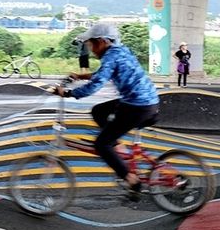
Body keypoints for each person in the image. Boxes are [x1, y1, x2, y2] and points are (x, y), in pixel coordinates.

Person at [53, 23, 159, 199]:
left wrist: (69, 93)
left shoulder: (111, 56)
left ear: (102, 41)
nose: (92, 50)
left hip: (137, 106)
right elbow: (104, 73)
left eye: (91, 44)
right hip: (144, 101)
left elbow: (95, 85)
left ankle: (132, 180)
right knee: (99, 111)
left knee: (101, 144)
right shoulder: (120, 51)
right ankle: (117, 144)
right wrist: (80, 76)